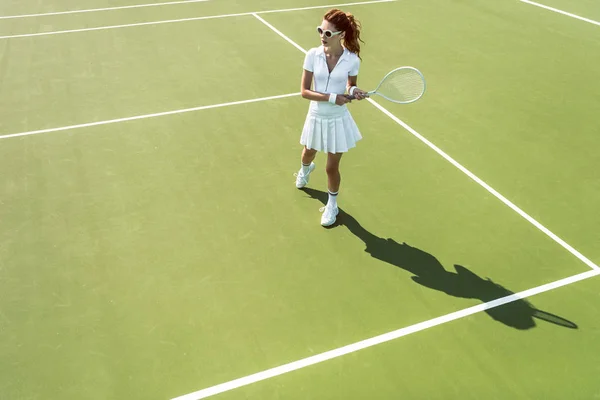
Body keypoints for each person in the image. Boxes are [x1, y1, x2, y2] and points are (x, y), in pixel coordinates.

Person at [294, 8, 368, 227]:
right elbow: (305, 91)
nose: (322, 36)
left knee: (331, 167)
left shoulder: (351, 60)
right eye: (320, 31)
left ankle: (331, 205)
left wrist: (354, 91)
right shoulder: (312, 55)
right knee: (308, 153)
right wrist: (332, 97)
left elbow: (350, 84)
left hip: (338, 119)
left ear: (341, 35)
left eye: (328, 33)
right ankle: (306, 169)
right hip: (316, 115)